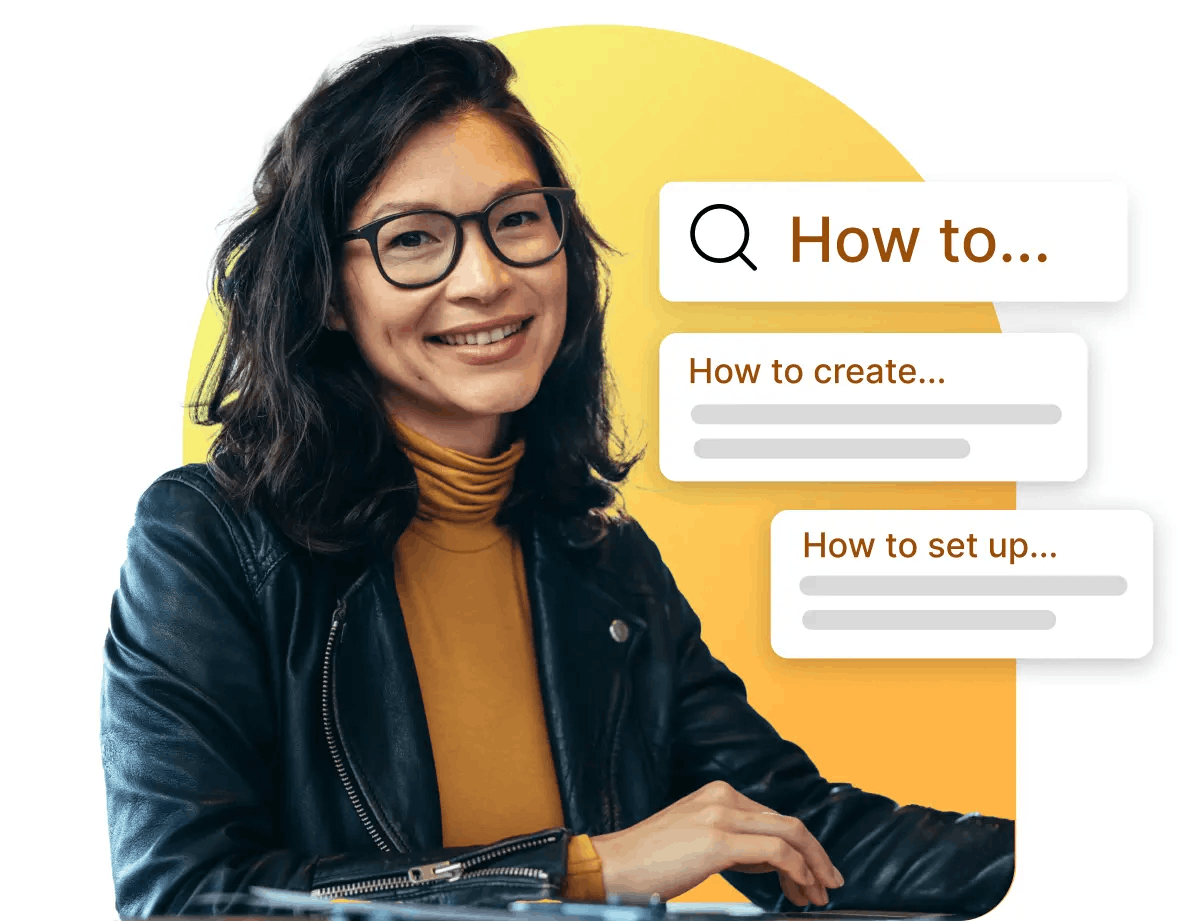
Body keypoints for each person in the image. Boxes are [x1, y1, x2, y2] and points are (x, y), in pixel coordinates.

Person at [100, 36, 1014, 919]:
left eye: (517, 219)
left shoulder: (602, 559)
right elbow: (189, 896)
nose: (485, 278)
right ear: (329, 294)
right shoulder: (208, 543)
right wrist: (582, 869)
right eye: (414, 238)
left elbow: (795, 834)